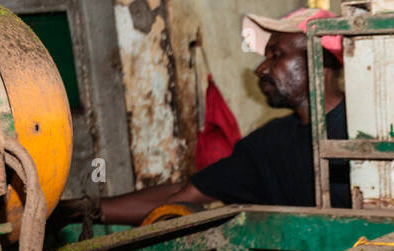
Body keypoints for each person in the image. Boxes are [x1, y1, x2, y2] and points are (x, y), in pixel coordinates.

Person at [100, 8, 350, 225]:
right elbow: (188, 192)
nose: (260, 68)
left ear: (321, 61)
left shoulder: (363, 134)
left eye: (276, 55)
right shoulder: (269, 144)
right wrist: (89, 209)